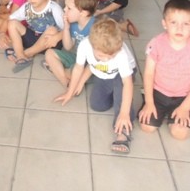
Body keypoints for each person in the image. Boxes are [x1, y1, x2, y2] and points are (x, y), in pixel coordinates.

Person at [55, 18, 136, 154]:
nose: (107, 59)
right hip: (102, 73)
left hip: (122, 76)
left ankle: (123, 132)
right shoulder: (85, 45)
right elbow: (78, 68)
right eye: (102, 55)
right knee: (97, 106)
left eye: (111, 56)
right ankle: (115, 95)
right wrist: (70, 92)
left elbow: (127, 83)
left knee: (123, 103)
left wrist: (123, 112)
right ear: (92, 46)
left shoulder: (121, 54)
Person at [139, 0, 190, 140]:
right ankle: (154, 106)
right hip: (158, 93)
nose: (179, 28)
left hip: (183, 98)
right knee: (147, 126)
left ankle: (186, 111)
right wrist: (149, 103)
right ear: (164, 24)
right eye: (173, 22)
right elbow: (149, 74)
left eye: (186, 24)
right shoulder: (156, 44)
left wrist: (184, 108)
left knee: (180, 133)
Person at [5, 0, 65, 73]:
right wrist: (3, 34)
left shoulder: (54, 8)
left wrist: (57, 37)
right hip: (33, 38)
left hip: (50, 44)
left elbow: (67, 29)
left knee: (52, 30)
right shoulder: (27, 7)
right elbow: (11, 18)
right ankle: (20, 55)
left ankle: (26, 54)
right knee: (12, 24)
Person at [44, 0, 97, 87]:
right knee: (49, 53)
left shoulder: (95, 27)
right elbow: (68, 47)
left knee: (79, 72)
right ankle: (66, 81)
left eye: (69, 8)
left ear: (83, 13)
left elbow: (96, 59)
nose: (64, 9)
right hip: (74, 56)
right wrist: (66, 29)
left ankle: (60, 71)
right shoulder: (73, 23)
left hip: (87, 63)